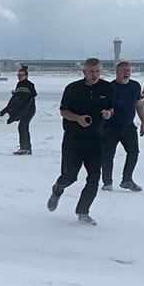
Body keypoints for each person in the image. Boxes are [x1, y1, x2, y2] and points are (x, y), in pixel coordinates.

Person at [47, 58, 113, 225]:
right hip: (73, 139)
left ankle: (83, 211)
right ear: (84, 72)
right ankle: (58, 188)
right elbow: (63, 112)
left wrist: (108, 113)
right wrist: (78, 119)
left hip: (97, 139)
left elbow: (111, 107)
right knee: (70, 176)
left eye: (97, 71)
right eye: (91, 71)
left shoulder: (107, 88)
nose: (95, 74)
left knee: (94, 177)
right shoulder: (73, 89)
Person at [101, 62, 144, 192]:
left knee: (133, 152)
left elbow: (139, 104)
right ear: (117, 72)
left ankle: (127, 179)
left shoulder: (135, 86)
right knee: (108, 155)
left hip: (128, 126)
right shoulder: (109, 87)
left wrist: (143, 121)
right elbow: (103, 107)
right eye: (124, 70)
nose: (127, 73)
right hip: (110, 127)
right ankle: (107, 182)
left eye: (128, 71)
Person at [0, 64, 37, 154]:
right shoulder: (19, 84)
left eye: (21, 75)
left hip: (28, 110)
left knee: (23, 127)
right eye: (18, 75)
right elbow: (17, 98)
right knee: (23, 127)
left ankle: (25, 148)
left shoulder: (29, 85)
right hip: (23, 109)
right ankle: (26, 148)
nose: (19, 77)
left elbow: (27, 98)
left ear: (26, 76)